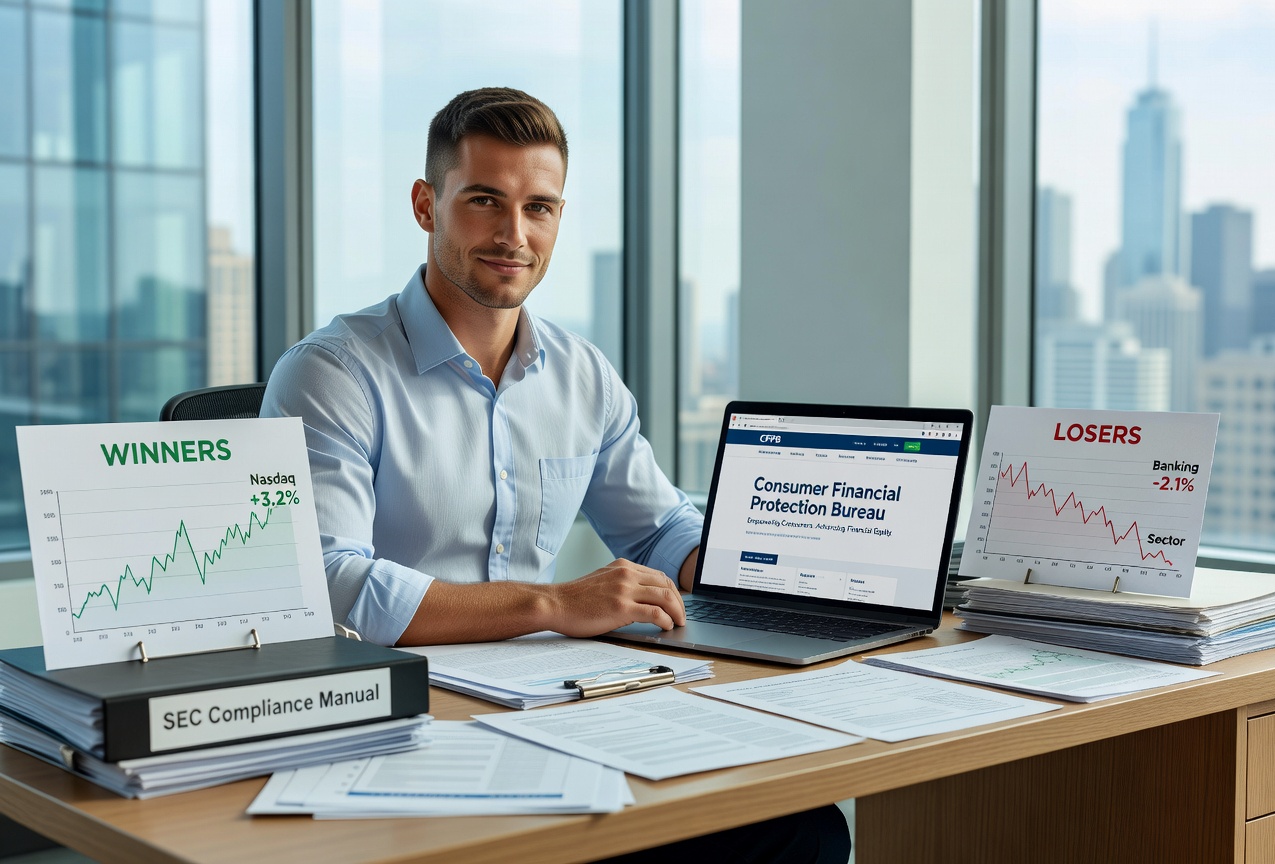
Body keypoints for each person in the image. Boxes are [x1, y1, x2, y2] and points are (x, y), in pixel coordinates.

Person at [263, 86, 849, 864]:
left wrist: (769, 568)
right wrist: (553, 602)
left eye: (539, 207)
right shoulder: (333, 373)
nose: (514, 234)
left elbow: (657, 524)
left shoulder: (582, 375)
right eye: (484, 201)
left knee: (799, 827)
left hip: (553, 710)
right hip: (395, 725)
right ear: (424, 204)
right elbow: (330, 584)